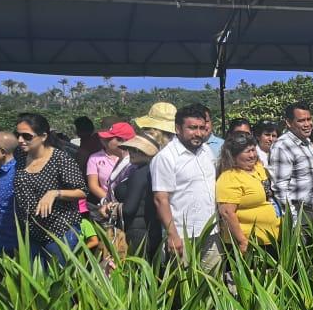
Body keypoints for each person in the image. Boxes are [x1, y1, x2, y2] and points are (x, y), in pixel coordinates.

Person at [12, 113, 88, 263]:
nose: (20, 140)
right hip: (30, 232)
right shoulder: (20, 156)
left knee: (60, 280)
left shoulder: (60, 159)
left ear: (43, 136)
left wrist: (54, 193)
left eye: (27, 136)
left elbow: (82, 191)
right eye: (17, 135)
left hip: (59, 231)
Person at [151, 103, 219, 266]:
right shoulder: (166, 158)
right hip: (183, 234)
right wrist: (172, 235)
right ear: (178, 128)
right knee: (185, 287)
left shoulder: (207, 151)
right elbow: (161, 199)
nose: (198, 133)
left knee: (214, 283)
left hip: (211, 231)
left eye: (202, 128)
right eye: (192, 128)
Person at [216, 131, 279, 255]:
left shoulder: (259, 168)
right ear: (233, 156)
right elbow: (227, 213)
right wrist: (242, 241)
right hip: (250, 243)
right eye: (247, 152)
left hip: (271, 239)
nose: (252, 155)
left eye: (253, 150)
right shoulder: (229, 178)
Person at [269, 101, 313, 221]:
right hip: (300, 215)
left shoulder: (308, 143)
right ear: (289, 123)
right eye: (301, 121)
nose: (307, 124)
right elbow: (280, 187)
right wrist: (294, 219)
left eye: (309, 119)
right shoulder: (282, 146)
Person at [110, 133, 162, 259]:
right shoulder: (154, 170)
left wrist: (113, 207)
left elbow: (129, 209)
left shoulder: (139, 174)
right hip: (153, 230)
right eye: (130, 149)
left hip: (137, 232)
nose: (131, 152)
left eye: (137, 150)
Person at [86, 121, 134, 201]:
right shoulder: (95, 158)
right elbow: (93, 185)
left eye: (108, 139)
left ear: (122, 141)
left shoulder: (132, 164)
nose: (104, 142)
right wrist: (108, 202)